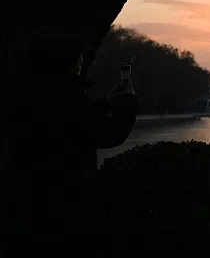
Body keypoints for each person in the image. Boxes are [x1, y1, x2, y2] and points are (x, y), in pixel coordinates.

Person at [1, 34, 138, 257]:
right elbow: (108, 134)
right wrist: (129, 104)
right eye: (79, 57)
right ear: (70, 62)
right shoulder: (70, 96)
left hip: (29, 197)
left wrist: (104, 103)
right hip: (66, 198)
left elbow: (67, 122)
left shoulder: (30, 92)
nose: (82, 61)